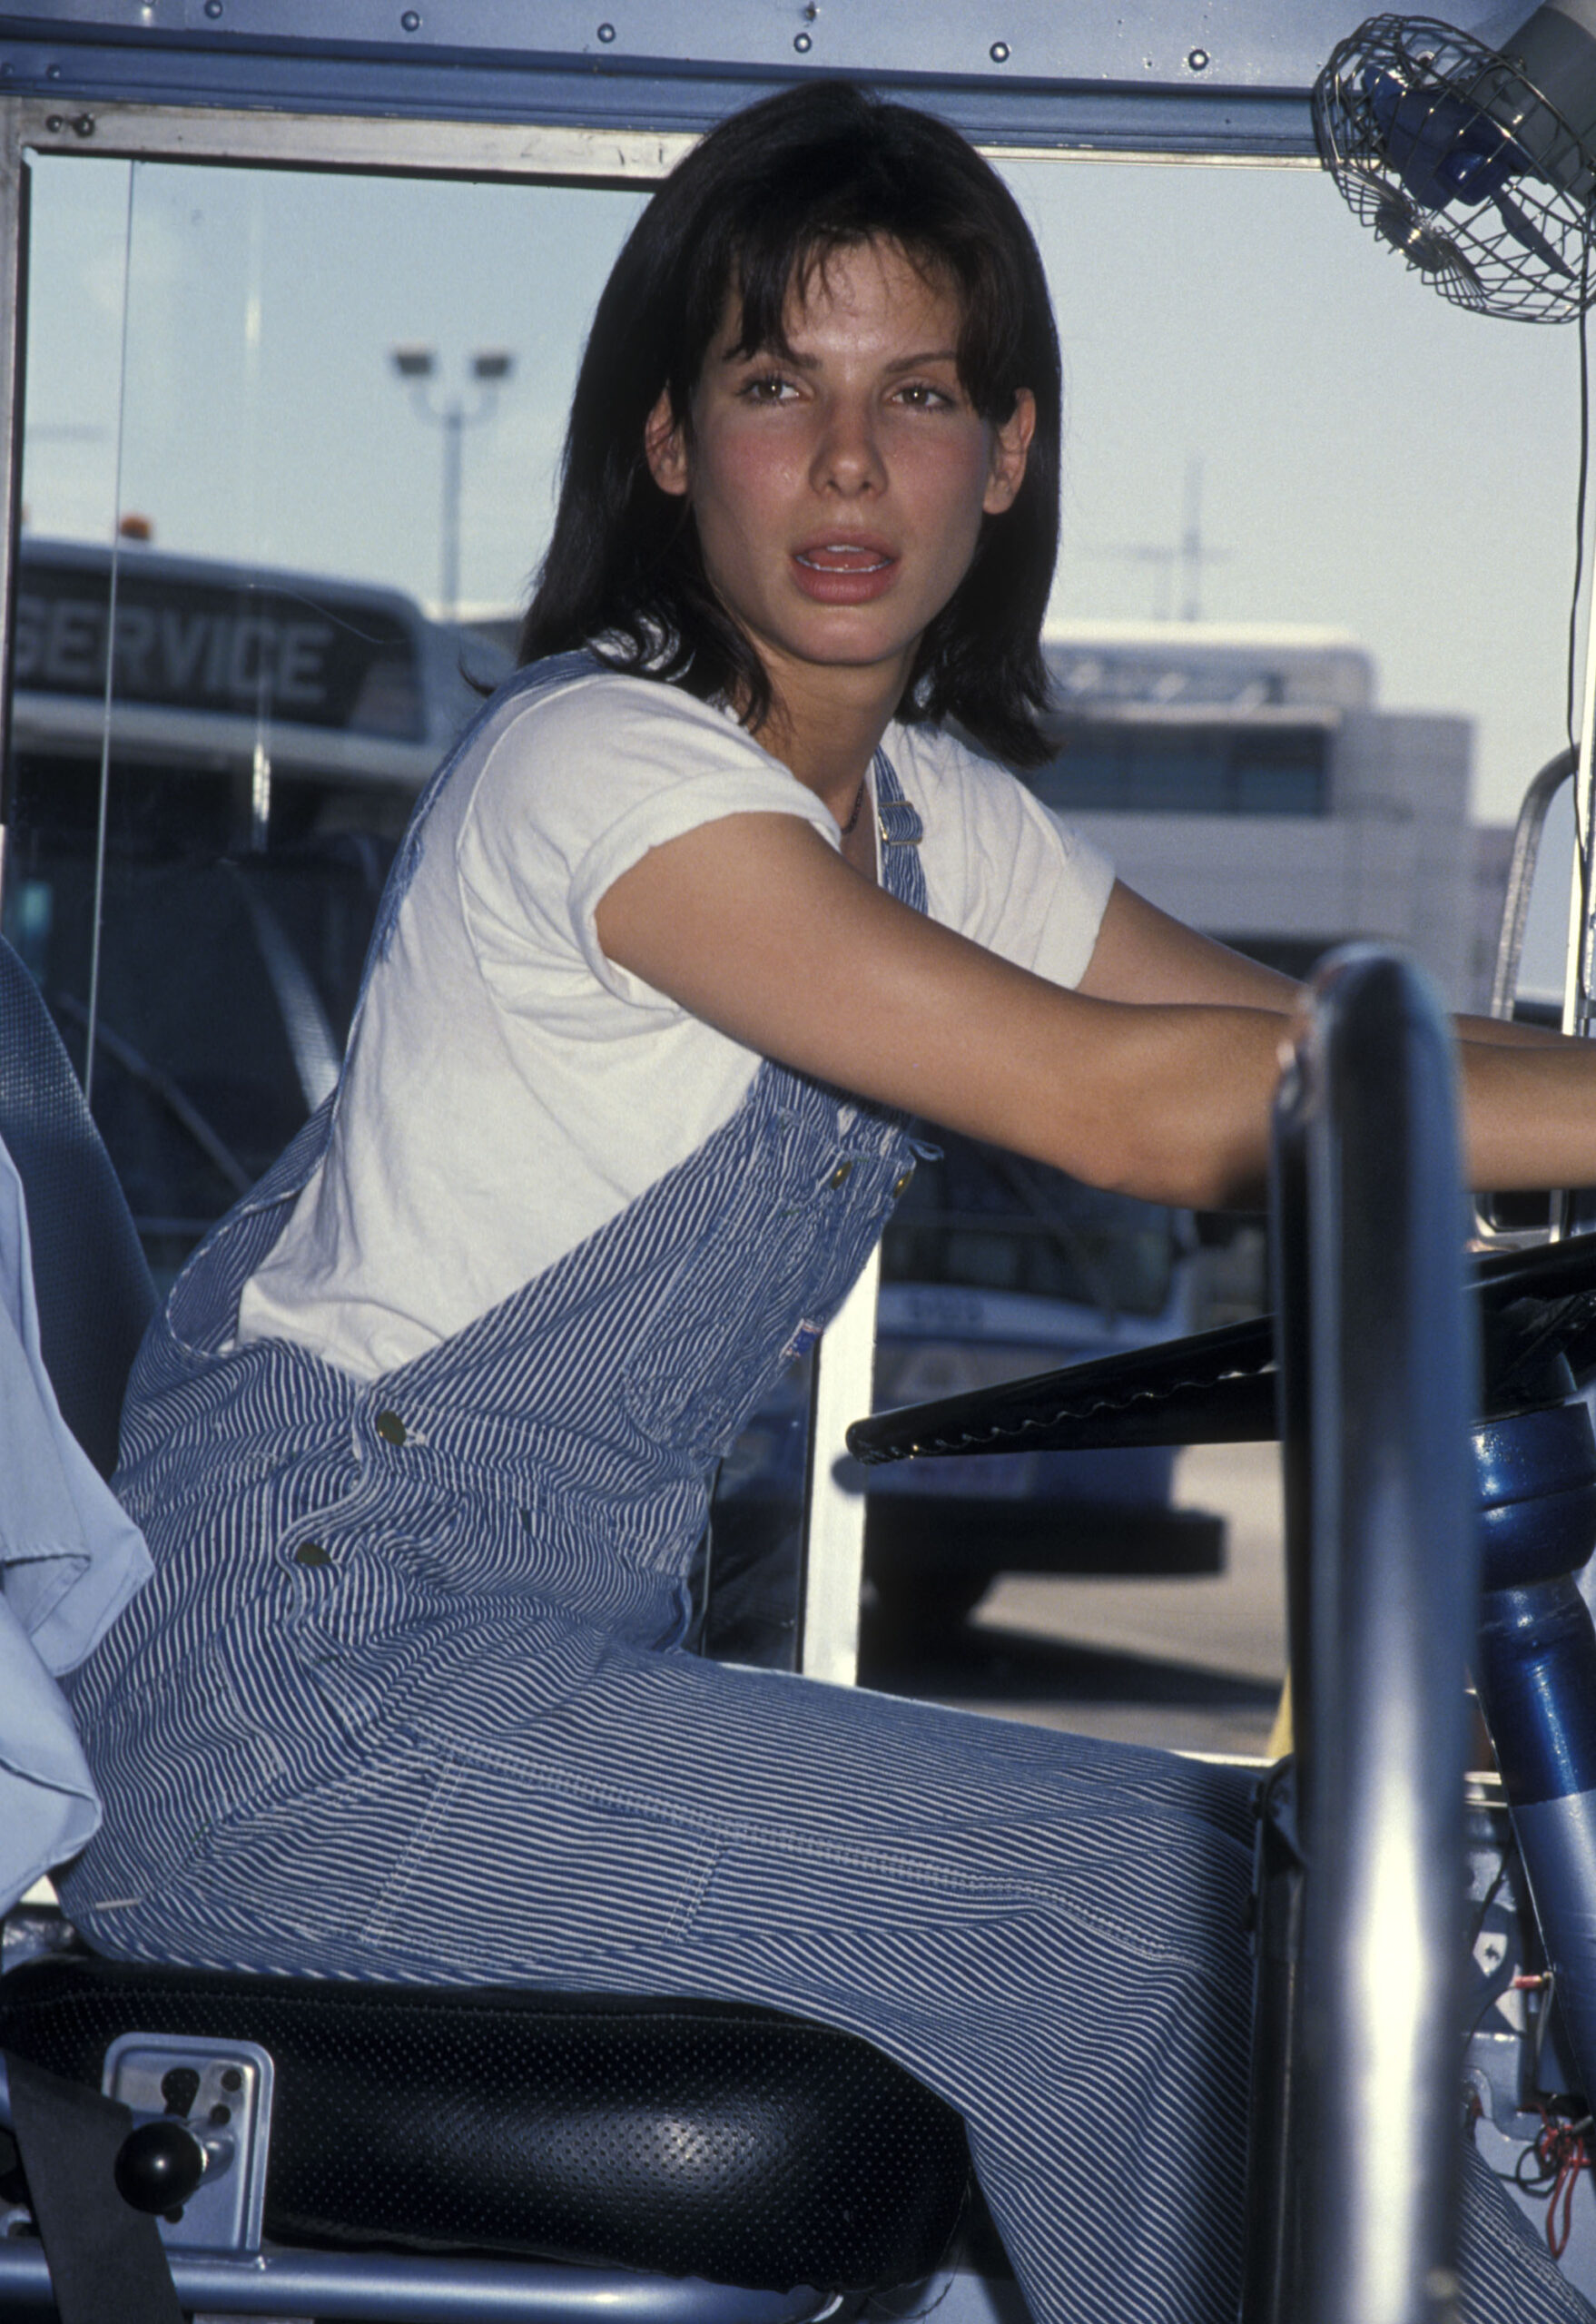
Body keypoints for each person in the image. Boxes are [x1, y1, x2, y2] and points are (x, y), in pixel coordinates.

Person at [53, 79, 1596, 2324]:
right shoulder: (606, 768)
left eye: (921, 392)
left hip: (506, 1669)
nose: (852, 465)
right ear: (674, 444)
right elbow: (1144, 1112)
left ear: (1012, 450)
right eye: (779, 385)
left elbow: (1323, 1051)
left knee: (1213, 1875)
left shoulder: (938, 820)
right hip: (292, 1691)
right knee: (1147, 1917)